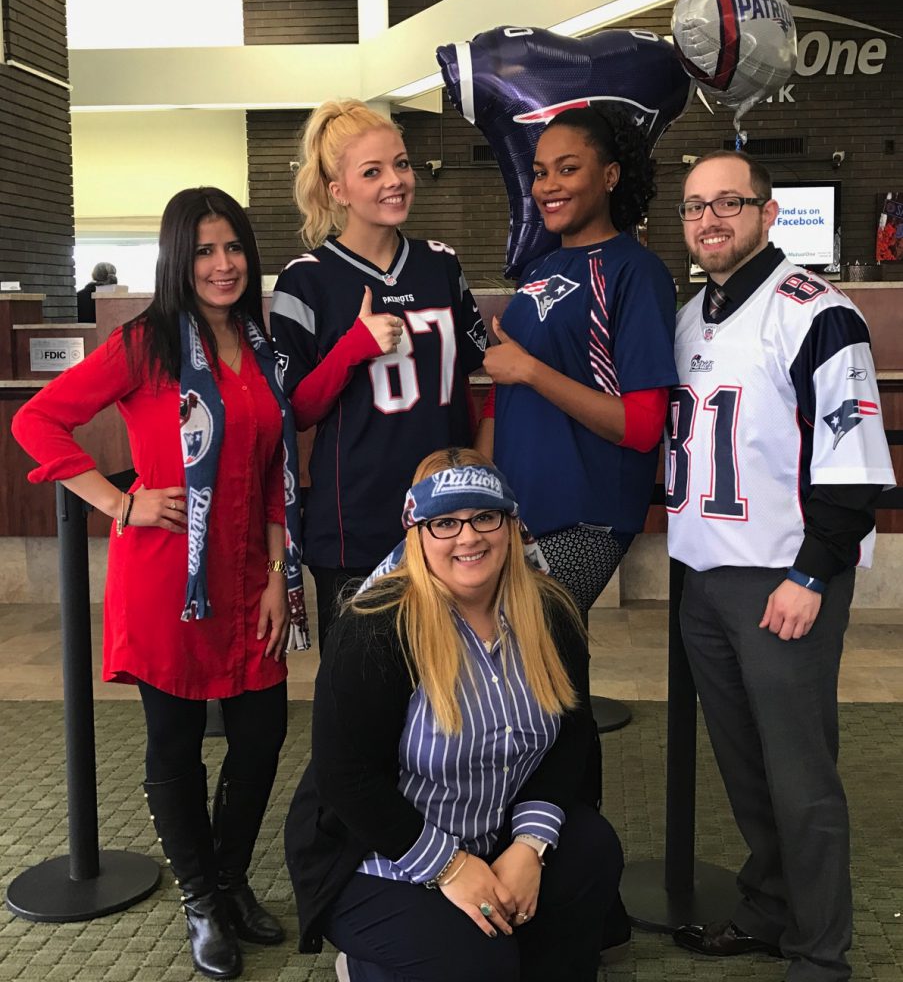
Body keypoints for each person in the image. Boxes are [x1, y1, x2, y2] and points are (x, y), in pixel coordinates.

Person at [13, 187, 311, 981]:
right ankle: (202, 900)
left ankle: (231, 874)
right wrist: (120, 501)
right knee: (175, 748)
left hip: (250, 576)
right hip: (168, 580)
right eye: (205, 250)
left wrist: (282, 575)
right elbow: (35, 420)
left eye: (234, 248)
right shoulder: (146, 343)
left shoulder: (261, 340)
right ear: (180, 258)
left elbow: (275, 469)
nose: (222, 264)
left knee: (261, 738)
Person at [666, 151, 895, 981]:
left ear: (766, 213)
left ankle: (821, 951)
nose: (710, 219)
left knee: (800, 776)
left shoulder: (815, 312)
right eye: (694, 207)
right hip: (703, 578)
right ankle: (768, 907)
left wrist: (811, 573)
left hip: (782, 581)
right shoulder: (690, 315)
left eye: (729, 202)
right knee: (744, 765)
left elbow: (852, 464)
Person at [284, 447, 624, 982]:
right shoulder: (375, 626)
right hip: (380, 853)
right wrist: (452, 866)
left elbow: (570, 735)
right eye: (445, 522)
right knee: (476, 962)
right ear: (417, 535)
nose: (468, 537)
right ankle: (371, 963)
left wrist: (528, 848)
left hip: (495, 828)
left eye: (484, 516)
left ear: (511, 525)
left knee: (593, 852)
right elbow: (346, 780)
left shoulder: (552, 611)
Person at [268, 99, 487, 650]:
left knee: (449, 695)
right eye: (373, 171)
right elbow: (294, 412)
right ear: (337, 189)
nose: (396, 181)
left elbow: (481, 368)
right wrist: (355, 348)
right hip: (356, 523)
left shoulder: (441, 263)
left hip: (449, 516)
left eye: (402, 164)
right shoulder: (307, 281)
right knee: (361, 701)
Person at [477, 107, 677, 619]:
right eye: (541, 172)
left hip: (584, 515)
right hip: (516, 508)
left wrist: (530, 371)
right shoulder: (539, 267)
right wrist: (481, 485)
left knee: (531, 648)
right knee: (529, 675)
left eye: (568, 169)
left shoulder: (637, 271)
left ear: (610, 176)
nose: (548, 185)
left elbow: (642, 425)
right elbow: (506, 392)